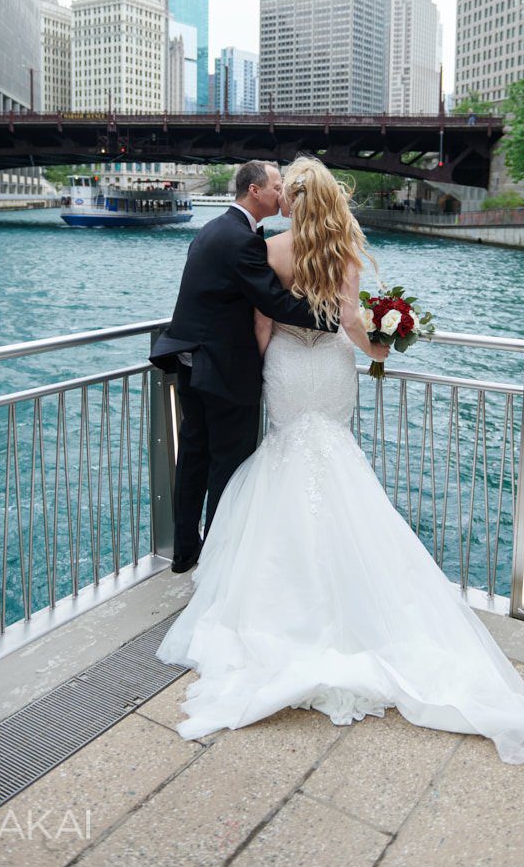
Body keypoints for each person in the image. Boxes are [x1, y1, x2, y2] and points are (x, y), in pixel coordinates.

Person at [155, 156, 524, 765]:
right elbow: (350, 325)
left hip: (286, 374)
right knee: (337, 466)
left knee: (280, 466)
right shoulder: (343, 250)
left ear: (294, 199)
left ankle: (248, 586)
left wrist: (260, 369)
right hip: (332, 374)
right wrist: (387, 343)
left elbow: (263, 323)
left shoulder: (272, 249)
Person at [149, 159, 386, 574]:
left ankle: (187, 550)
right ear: (256, 191)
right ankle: (221, 556)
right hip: (230, 368)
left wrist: (269, 360)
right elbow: (277, 307)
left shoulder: (226, 233)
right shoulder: (266, 243)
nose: (280, 194)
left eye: (285, 188)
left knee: (196, 456)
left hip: (198, 359)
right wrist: (346, 330)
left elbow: (261, 318)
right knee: (231, 463)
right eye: (276, 186)